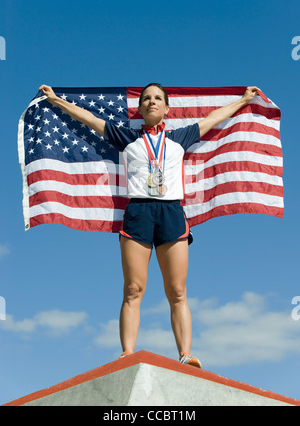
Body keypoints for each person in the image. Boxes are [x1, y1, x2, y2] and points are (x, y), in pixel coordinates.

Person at [39, 82, 259, 368]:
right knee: (133, 288)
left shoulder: (180, 137)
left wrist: (243, 100)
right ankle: (127, 354)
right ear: (140, 108)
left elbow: (213, 119)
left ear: (167, 108)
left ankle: (185, 355)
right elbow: (89, 119)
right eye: (146, 99)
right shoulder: (127, 137)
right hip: (138, 212)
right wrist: (56, 101)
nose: (152, 102)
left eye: (157, 98)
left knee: (177, 291)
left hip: (172, 212)